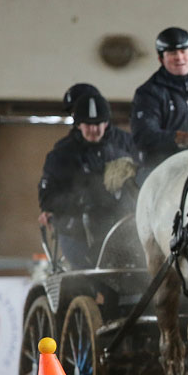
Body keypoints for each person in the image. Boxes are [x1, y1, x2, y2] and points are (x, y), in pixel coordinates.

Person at [38, 93, 137, 269]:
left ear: (106, 123)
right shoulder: (62, 154)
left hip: (121, 227)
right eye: (88, 125)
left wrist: (132, 174)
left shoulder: (126, 144)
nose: (93, 130)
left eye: (98, 124)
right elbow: (47, 198)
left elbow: (145, 175)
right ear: (78, 124)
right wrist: (84, 197)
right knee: (88, 277)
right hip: (77, 231)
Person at [130, 26, 188, 183]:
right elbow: (144, 136)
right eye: (172, 53)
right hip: (161, 167)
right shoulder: (148, 93)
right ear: (161, 59)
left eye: (183, 51)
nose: (179, 57)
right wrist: (185, 138)